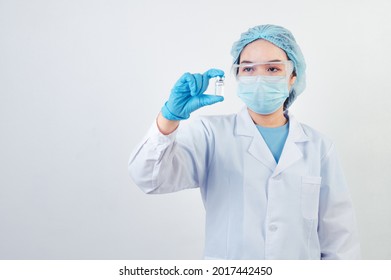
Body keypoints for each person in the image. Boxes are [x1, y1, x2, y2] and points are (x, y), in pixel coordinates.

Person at [128, 24, 361, 259]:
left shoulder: (318, 147)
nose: (259, 78)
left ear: (293, 76)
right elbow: (148, 178)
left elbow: (340, 241)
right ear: (237, 76)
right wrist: (169, 117)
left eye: (272, 68)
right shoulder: (211, 134)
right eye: (248, 69)